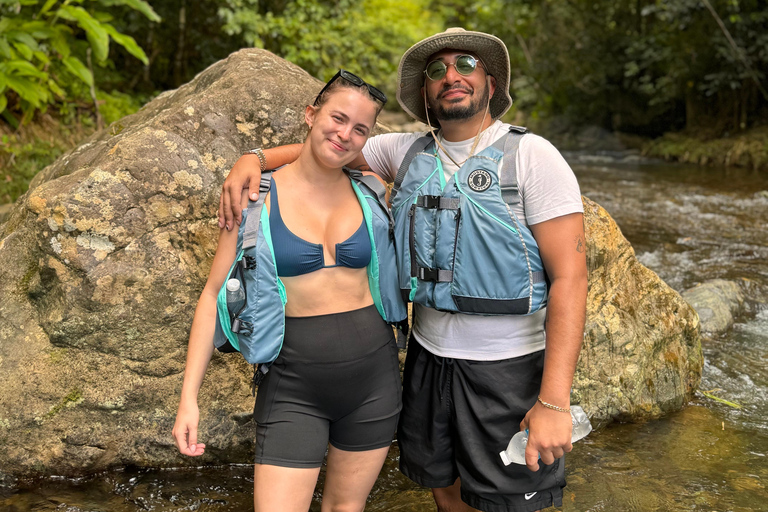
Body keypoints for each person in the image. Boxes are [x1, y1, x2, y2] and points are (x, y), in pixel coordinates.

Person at [218, 28, 588, 512]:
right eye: (437, 70)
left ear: (491, 85)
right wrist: (254, 159)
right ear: (425, 93)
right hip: (428, 360)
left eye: (466, 66)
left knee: (511, 502)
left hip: (508, 371)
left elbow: (571, 280)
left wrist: (554, 403)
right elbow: (325, 150)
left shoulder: (533, 157)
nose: (451, 77)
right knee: (445, 492)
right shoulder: (405, 152)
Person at [173, 70, 407, 512]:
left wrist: (254, 155)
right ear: (310, 114)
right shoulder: (254, 199)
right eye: (337, 118)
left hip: (375, 381)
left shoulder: (373, 188)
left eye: (361, 128)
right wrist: (189, 399)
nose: (345, 134)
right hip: (294, 385)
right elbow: (211, 296)